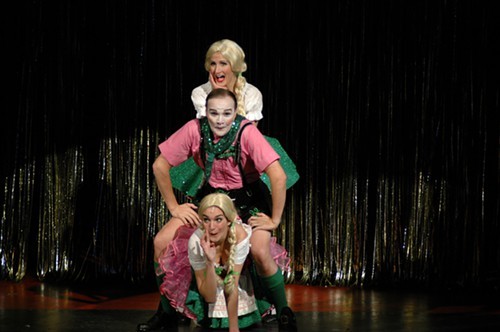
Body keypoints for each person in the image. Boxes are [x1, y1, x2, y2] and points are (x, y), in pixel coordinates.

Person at [136, 89, 297, 331]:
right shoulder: (194, 129)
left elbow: (278, 176)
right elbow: (160, 165)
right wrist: (173, 206)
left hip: (247, 203)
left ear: (235, 114)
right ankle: (167, 313)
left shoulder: (247, 133)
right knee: (161, 242)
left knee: (261, 250)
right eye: (214, 113)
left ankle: (284, 311)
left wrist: (274, 219)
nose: (220, 120)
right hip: (210, 204)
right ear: (206, 113)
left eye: (226, 114)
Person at [157, 192, 290, 331]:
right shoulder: (196, 242)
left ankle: (285, 314)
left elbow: (231, 284)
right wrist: (209, 261)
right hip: (209, 285)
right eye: (206, 220)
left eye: (218, 219)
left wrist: (234, 329)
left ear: (229, 220)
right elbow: (209, 297)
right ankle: (167, 316)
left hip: (235, 280)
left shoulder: (240, 235)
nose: (212, 227)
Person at [191, 39, 263, 125]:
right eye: (213, 64)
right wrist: (218, 95)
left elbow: (250, 135)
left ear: (235, 66)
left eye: (223, 63)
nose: (217, 71)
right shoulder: (200, 93)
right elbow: (213, 130)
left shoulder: (252, 94)